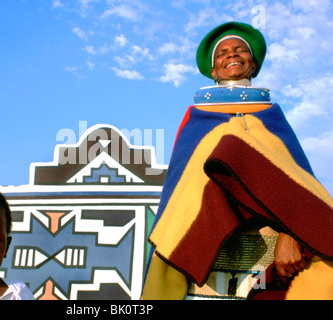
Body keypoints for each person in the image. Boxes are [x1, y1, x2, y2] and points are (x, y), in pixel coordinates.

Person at [142, 22, 333, 300]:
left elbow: (301, 193)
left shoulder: (272, 119)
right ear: (213, 69)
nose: (231, 54)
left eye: (240, 49)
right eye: (222, 52)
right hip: (203, 271)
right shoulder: (197, 120)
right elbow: (180, 201)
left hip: (267, 264)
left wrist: (292, 233)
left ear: (253, 65)